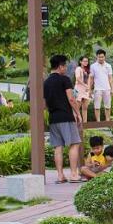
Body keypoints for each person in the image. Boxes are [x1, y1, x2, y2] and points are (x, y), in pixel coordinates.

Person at [45, 54, 82, 182]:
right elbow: (71, 98)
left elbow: (45, 102)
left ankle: (60, 175)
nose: (66, 68)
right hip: (66, 116)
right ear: (60, 66)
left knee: (58, 146)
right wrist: (78, 113)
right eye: (65, 65)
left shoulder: (46, 82)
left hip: (53, 117)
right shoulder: (64, 79)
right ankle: (73, 174)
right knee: (74, 143)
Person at [89, 49, 113, 122]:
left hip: (107, 88)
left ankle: (108, 121)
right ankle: (98, 123)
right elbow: (91, 79)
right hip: (97, 89)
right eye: (99, 57)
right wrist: (90, 90)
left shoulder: (108, 66)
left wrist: (112, 89)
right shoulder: (93, 66)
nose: (101, 58)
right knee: (97, 107)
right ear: (97, 57)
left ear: (105, 57)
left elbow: (110, 78)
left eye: (102, 57)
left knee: (108, 106)